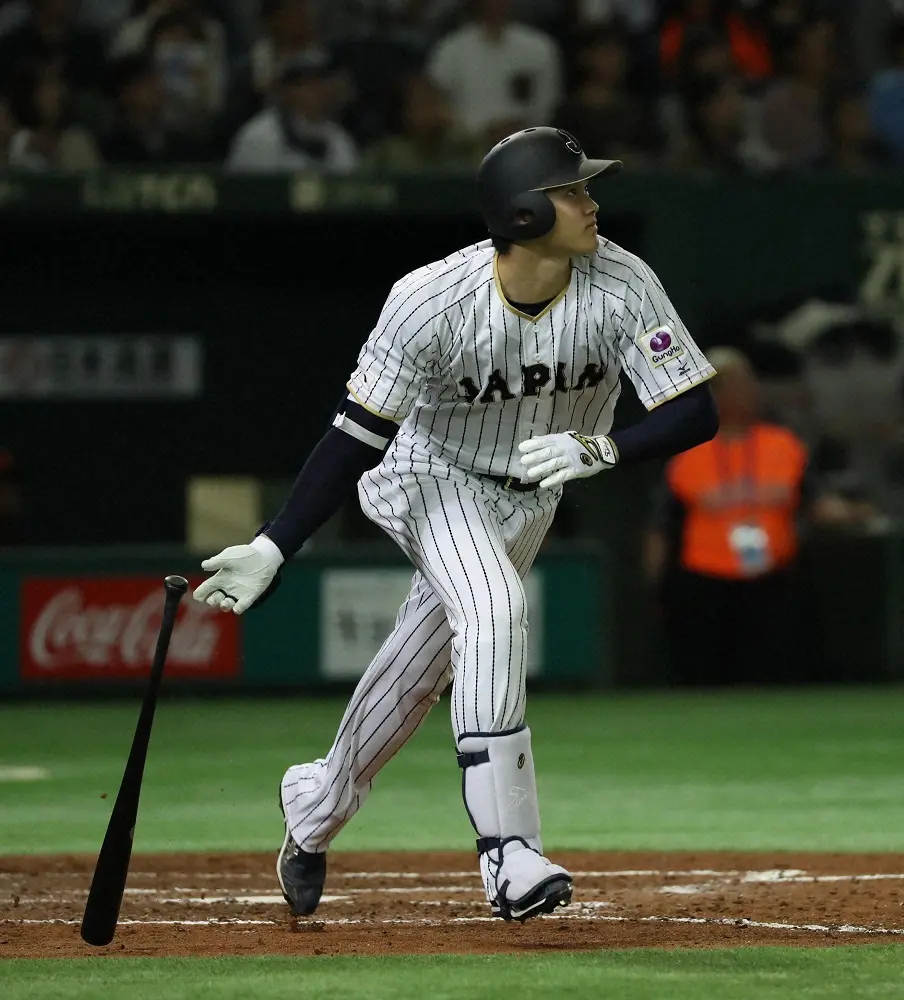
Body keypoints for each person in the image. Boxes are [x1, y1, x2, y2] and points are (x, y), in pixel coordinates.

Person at [193, 126, 717, 922]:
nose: (590, 201)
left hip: (528, 496)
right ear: (522, 214)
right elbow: (354, 435)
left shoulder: (622, 282)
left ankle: (315, 804)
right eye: (571, 191)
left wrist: (606, 446)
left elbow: (695, 412)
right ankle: (508, 853)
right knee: (497, 609)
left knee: (419, 673)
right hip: (431, 477)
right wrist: (275, 542)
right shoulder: (431, 299)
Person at [643, 346, 844, 687]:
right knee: (706, 681)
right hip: (705, 586)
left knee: (775, 678)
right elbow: (661, 527)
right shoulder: (687, 451)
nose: (747, 392)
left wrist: (850, 511)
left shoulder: (783, 445)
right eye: (733, 384)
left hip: (772, 583)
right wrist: (657, 586)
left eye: (747, 383)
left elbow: (818, 503)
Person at [225, 50, 357, 173]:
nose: (319, 91)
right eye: (307, 84)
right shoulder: (260, 137)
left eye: (322, 82)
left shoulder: (338, 137)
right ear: (286, 91)